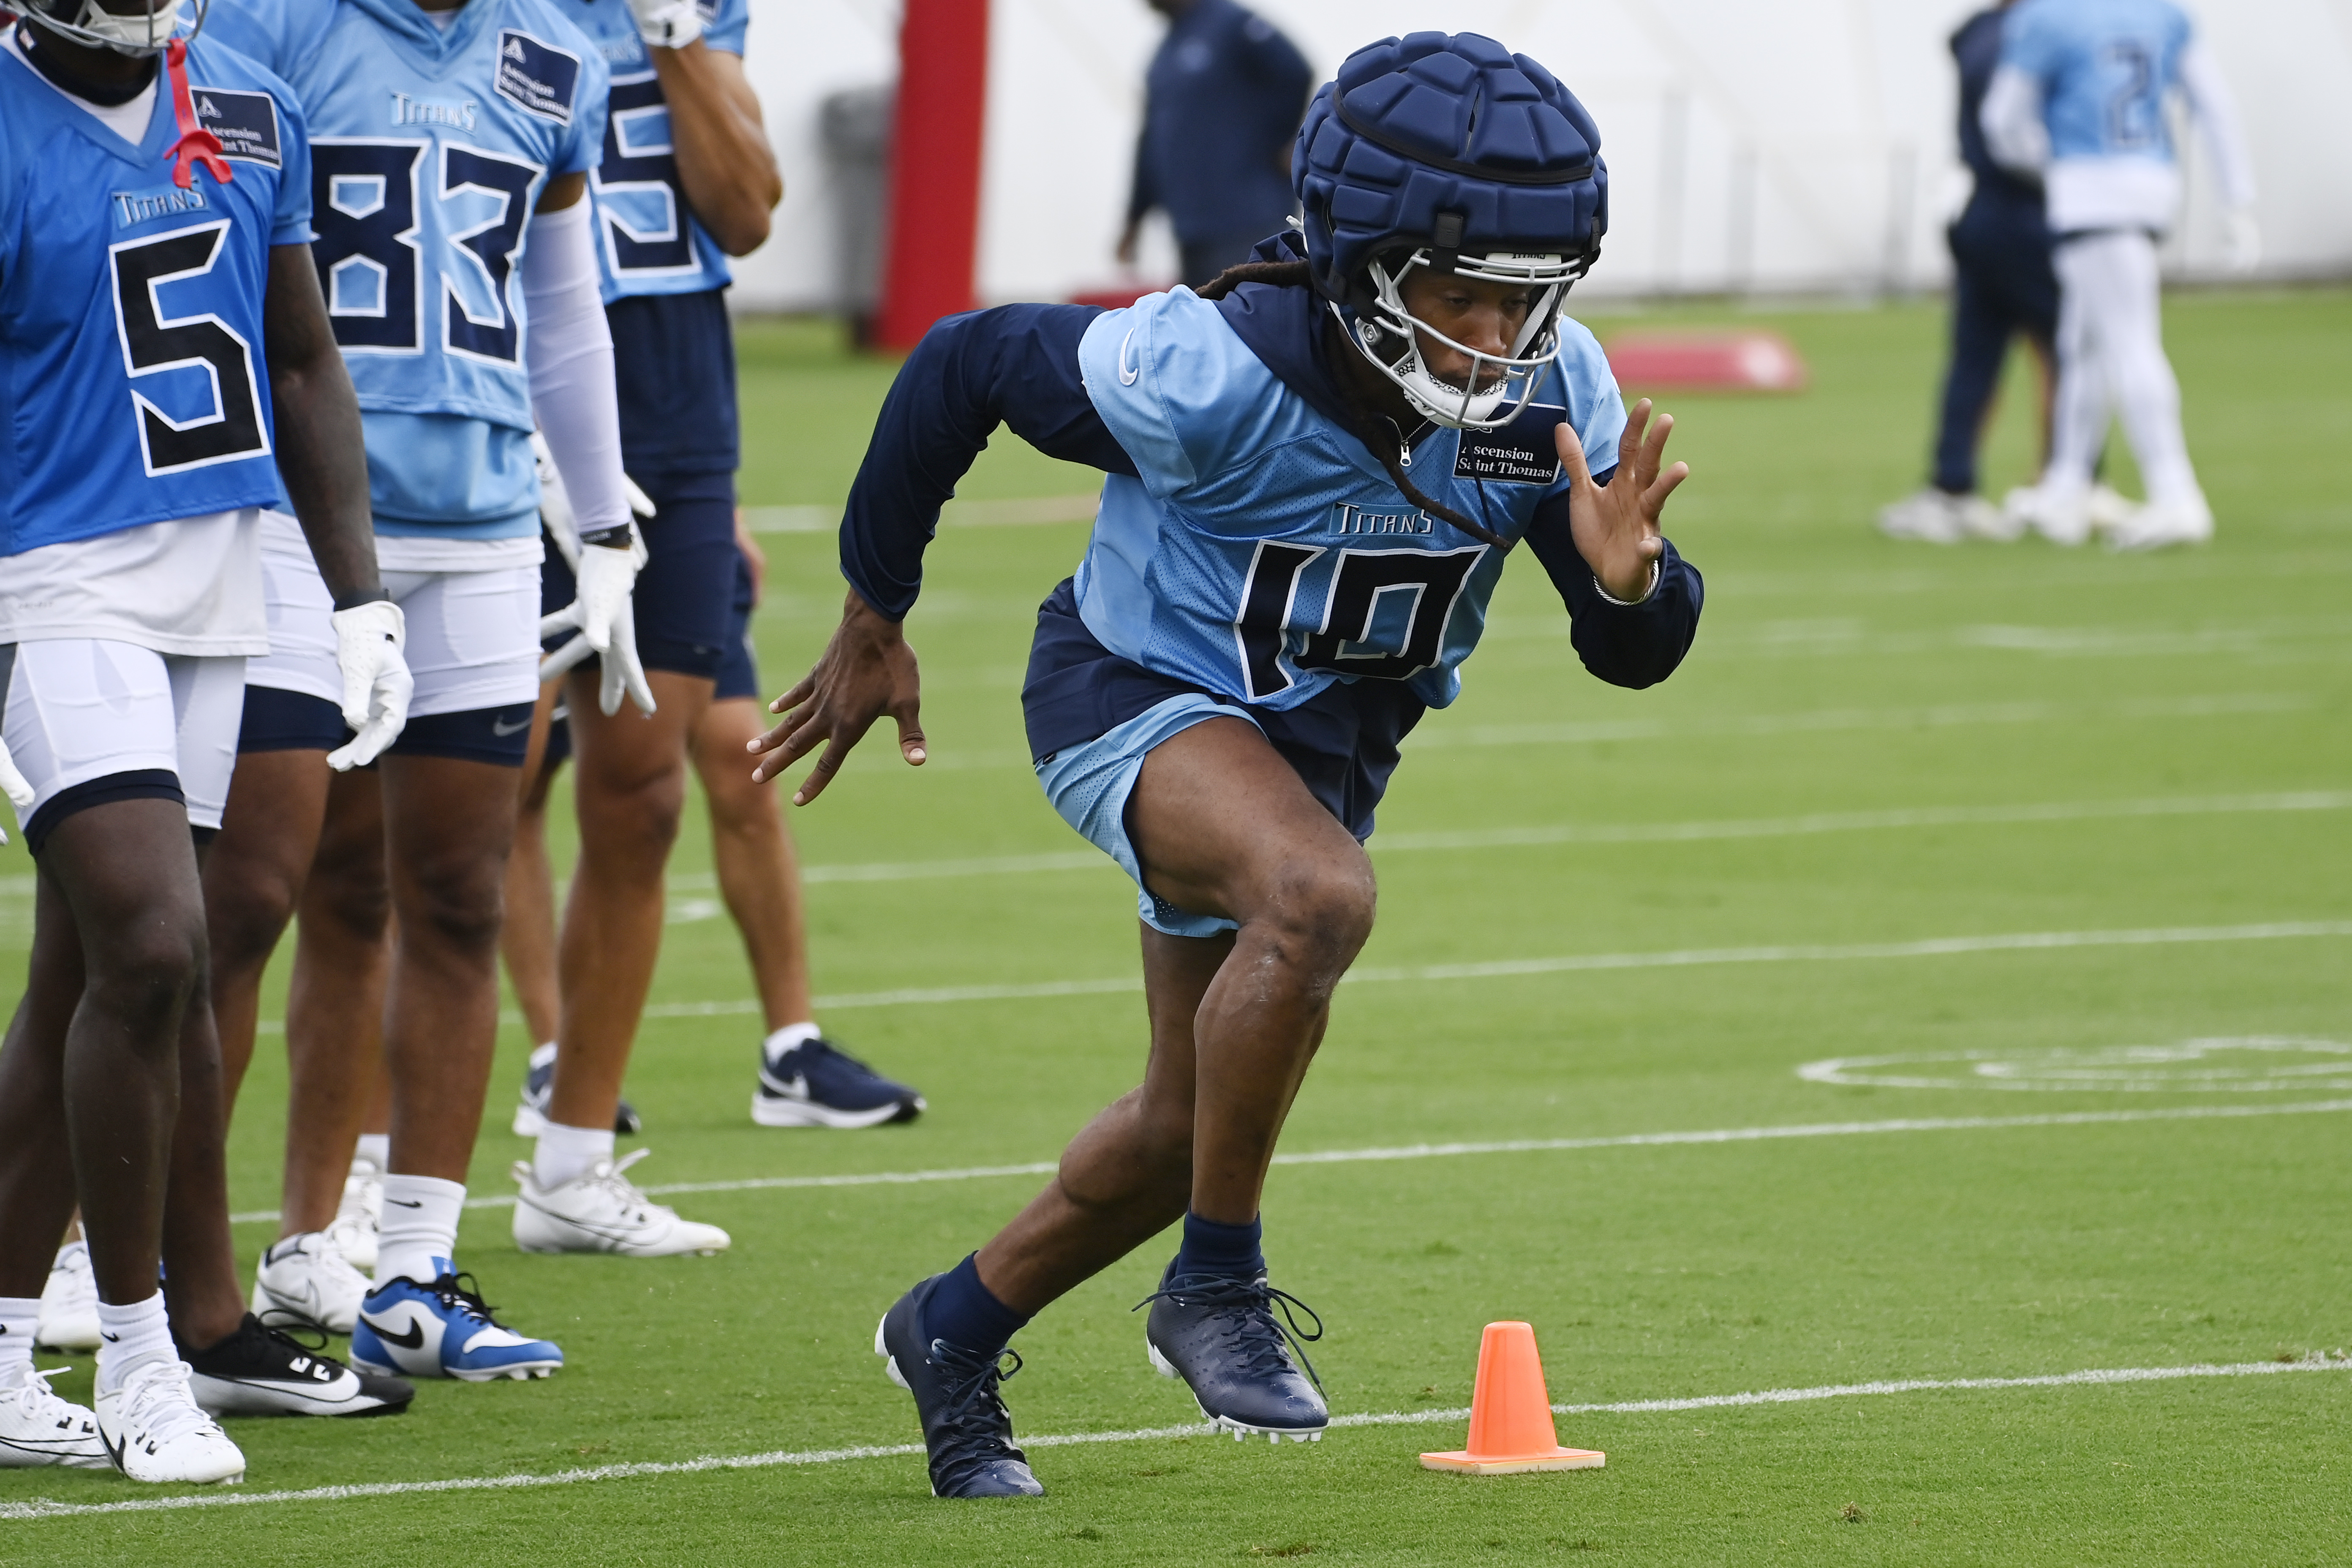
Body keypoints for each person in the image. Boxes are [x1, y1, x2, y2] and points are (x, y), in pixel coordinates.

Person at [753, 31, 1703, 1497]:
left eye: (1525, 297)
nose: (1493, 335)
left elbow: (1630, 648)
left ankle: (948, 1328)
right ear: (1358, 260)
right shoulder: (1203, 372)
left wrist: (1629, 584)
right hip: (1132, 693)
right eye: (1456, 293)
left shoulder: (1543, 398)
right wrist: (877, 607)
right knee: (1317, 896)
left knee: (1182, 1123)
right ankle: (1216, 1283)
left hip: (1309, 751)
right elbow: (959, 366)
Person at [0, 0, 416, 1482]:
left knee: (86, 978)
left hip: (219, 579)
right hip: (48, 576)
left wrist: (357, 596)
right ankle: (138, 1356)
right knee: (160, 944)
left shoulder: (242, 100)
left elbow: (300, 358)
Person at [205, 0, 645, 1379]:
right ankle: (167, 1266)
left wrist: (603, 521)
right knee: (248, 894)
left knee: (449, 894)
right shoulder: (269, 25)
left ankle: (407, 1266)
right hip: (290, 516)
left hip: (476, 532)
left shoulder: (553, 52)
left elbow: (563, 313)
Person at [504, 510, 926, 1154]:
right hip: (539, 507)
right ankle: (553, 1055)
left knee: (743, 757)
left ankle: (791, 1053)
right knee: (516, 780)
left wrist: (723, 511)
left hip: (668, 508)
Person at [1982, 0, 2256, 550]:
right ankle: (2067, 484)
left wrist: (2054, 164)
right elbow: (2215, 106)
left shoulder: (2047, 18)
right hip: (2151, 181)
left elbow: (2002, 121)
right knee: (2081, 343)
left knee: (2130, 343)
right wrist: (2238, 200)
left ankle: (2175, 491)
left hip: (2092, 190)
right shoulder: (2164, 13)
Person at [1879, 0, 2067, 545]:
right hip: (2027, 208)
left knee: (1976, 354)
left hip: (1979, 211)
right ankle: (2068, 479)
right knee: (2065, 347)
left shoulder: (1980, 32)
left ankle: (1953, 484)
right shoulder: (2036, 32)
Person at [1116, 0, 1312, 289]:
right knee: (1204, 324)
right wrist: (1134, 220)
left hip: (1249, 224)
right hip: (1192, 234)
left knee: (1253, 322)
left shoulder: (1232, 24)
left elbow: (1296, 73)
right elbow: (1151, 143)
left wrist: (1286, 142)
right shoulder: (1162, 58)